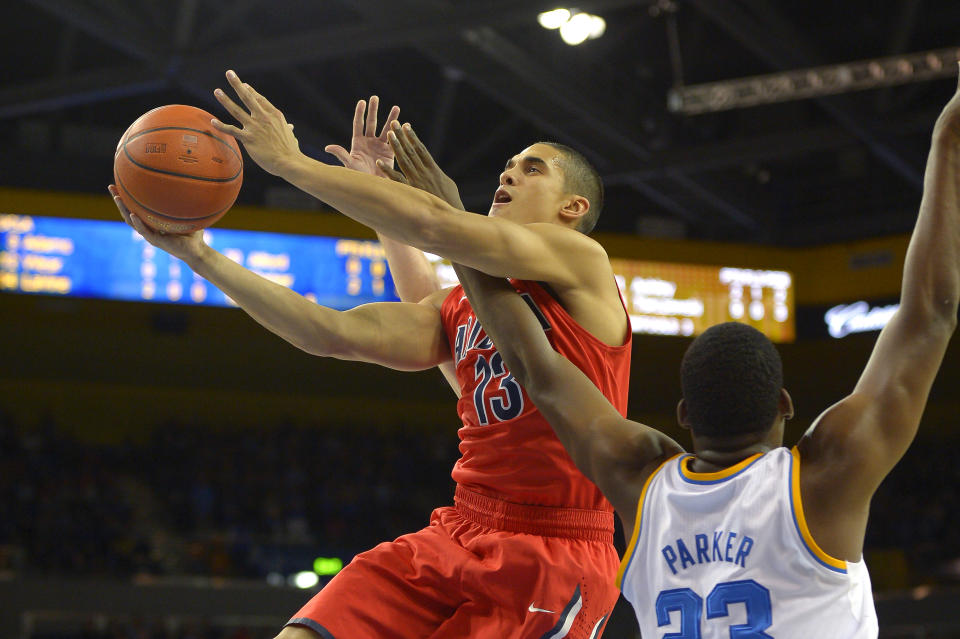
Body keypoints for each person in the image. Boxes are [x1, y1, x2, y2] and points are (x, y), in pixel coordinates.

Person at [108, 69, 633, 638]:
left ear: (573, 207)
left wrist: (290, 162)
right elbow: (326, 332)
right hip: (460, 528)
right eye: (511, 162)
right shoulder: (461, 304)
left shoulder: (584, 262)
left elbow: (437, 223)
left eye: (534, 168)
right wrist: (200, 256)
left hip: (553, 551)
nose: (510, 170)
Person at [449, 74, 960, 638]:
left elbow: (534, 365)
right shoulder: (824, 480)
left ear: (684, 414)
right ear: (784, 404)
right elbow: (928, 315)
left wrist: (454, 230)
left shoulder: (640, 481)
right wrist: (947, 139)